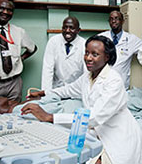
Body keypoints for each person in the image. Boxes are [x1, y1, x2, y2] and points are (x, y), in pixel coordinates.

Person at [21, 35, 142, 164]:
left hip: (118, 138)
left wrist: (50, 117)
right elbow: (68, 90)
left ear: (107, 57)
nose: (88, 58)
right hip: (97, 134)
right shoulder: (88, 77)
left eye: (95, 54)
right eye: (86, 53)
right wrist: (44, 93)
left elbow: (94, 117)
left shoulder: (114, 81)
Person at [0, 0, 37, 103]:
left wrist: (21, 58)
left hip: (14, 83)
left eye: (9, 10)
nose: (5, 12)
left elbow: (33, 48)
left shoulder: (19, 32)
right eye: (1, 8)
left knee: (14, 114)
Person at [99, 10, 142, 90]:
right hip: (103, 85)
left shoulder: (131, 39)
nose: (113, 21)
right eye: (111, 19)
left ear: (122, 21)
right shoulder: (101, 37)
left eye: (116, 18)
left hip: (121, 86)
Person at [41, 16, 86, 90]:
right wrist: (46, 93)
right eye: (65, 27)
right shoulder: (53, 41)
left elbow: (86, 72)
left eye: (71, 28)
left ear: (78, 30)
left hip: (75, 90)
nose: (67, 30)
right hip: (56, 88)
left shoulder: (84, 44)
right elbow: (47, 69)